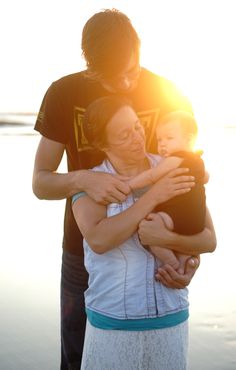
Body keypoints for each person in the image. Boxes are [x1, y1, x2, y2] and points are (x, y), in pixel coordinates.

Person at [32, 9, 202, 369]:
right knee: (76, 356)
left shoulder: (166, 93)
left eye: (132, 70)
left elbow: (192, 184)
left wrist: (190, 257)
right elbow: (41, 182)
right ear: (91, 68)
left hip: (159, 250)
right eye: (116, 78)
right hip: (85, 249)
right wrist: (82, 178)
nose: (128, 83)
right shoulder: (64, 93)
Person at [71, 96, 216, 369]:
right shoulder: (91, 182)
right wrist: (153, 197)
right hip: (112, 321)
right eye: (125, 134)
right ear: (103, 144)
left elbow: (208, 238)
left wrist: (186, 257)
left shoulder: (174, 164)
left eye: (138, 126)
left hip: (171, 316)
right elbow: (99, 240)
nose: (138, 138)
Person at [128, 110, 207, 273]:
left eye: (169, 138)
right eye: (159, 139)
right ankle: (183, 263)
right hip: (197, 220)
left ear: (189, 139)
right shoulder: (197, 160)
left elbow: (151, 176)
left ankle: (172, 263)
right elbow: (205, 177)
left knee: (150, 231)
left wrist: (129, 185)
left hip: (176, 215)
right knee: (183, 249)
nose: (162, 144)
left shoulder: (175, 159)